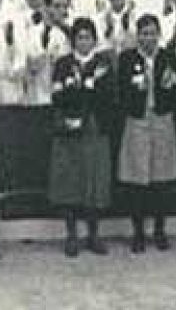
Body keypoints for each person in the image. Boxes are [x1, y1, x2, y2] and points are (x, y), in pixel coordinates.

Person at [47, 16, 115, 257]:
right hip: (69, 127)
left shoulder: (103, 63)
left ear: (95, 40)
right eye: (79, 37)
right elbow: (58, 97)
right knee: (70, 180)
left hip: (95, 127)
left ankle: (94, 234)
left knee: (94, 179)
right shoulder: (63, 64)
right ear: (72, 40)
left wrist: (83, 87)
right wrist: (82, 89)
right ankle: (71, 235)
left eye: (88, 37)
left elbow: (107, 96)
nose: (84, 42)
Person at [115, 13, 176, 253]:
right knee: (137, 180)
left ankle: (160, 230)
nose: (148, 38)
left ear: (159, 35)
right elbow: (121, 92)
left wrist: (167, 86)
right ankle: (138, 233)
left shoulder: (168, 57)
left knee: (161, 180)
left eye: (153, 33)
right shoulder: (127, 58)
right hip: (137, 120)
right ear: (137, 36)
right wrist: (136, 91)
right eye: (144, 33)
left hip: (162, 119)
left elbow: (175, 90)